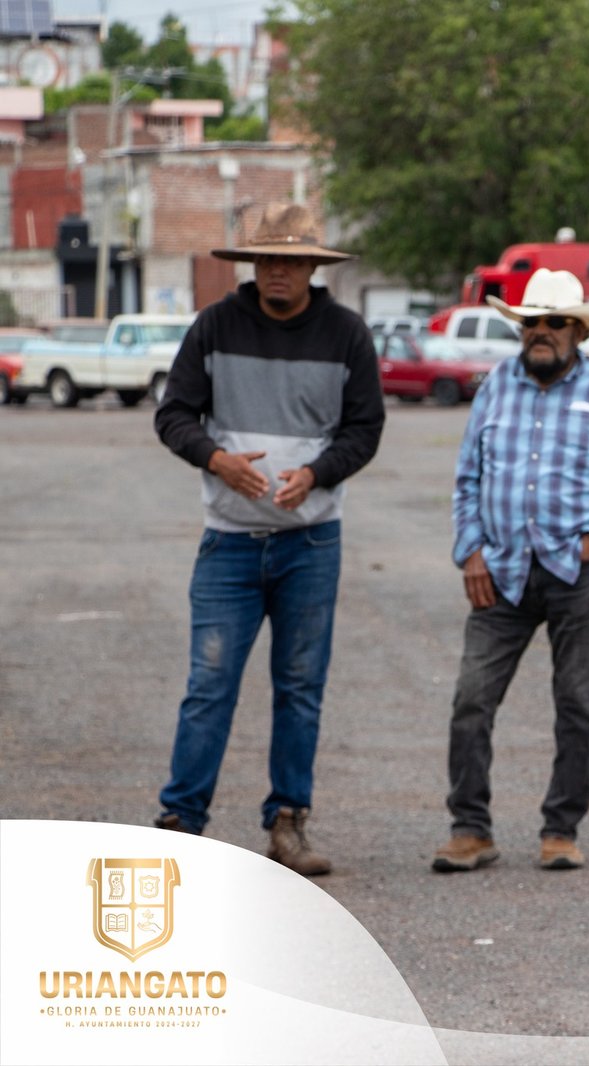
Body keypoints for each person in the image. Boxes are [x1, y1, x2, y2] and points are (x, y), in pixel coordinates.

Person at [152, 203, 386, 877]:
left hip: (310, 545)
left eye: (291, 260)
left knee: (300, 688)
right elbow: (173, 414)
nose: (277, 270)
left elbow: (365, 428)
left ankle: (287, 823)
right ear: (252, 265)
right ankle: (181, 825)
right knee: (209, 684)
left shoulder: (346, 334)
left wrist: (317, 473)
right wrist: (215, 457)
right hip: (227, 542)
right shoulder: (215, 326)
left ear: (314, 268)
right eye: (267, 258)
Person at [432, 268, 589, 874]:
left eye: (555, 322)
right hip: (499, 571)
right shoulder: (496, 385)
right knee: (471, 701)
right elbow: (467, 479)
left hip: (577, 576)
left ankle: (560, 829)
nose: (541, 332)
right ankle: (469, 829)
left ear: (578, 330)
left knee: (576, 705)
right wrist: (470, 552)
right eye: (531, 321)